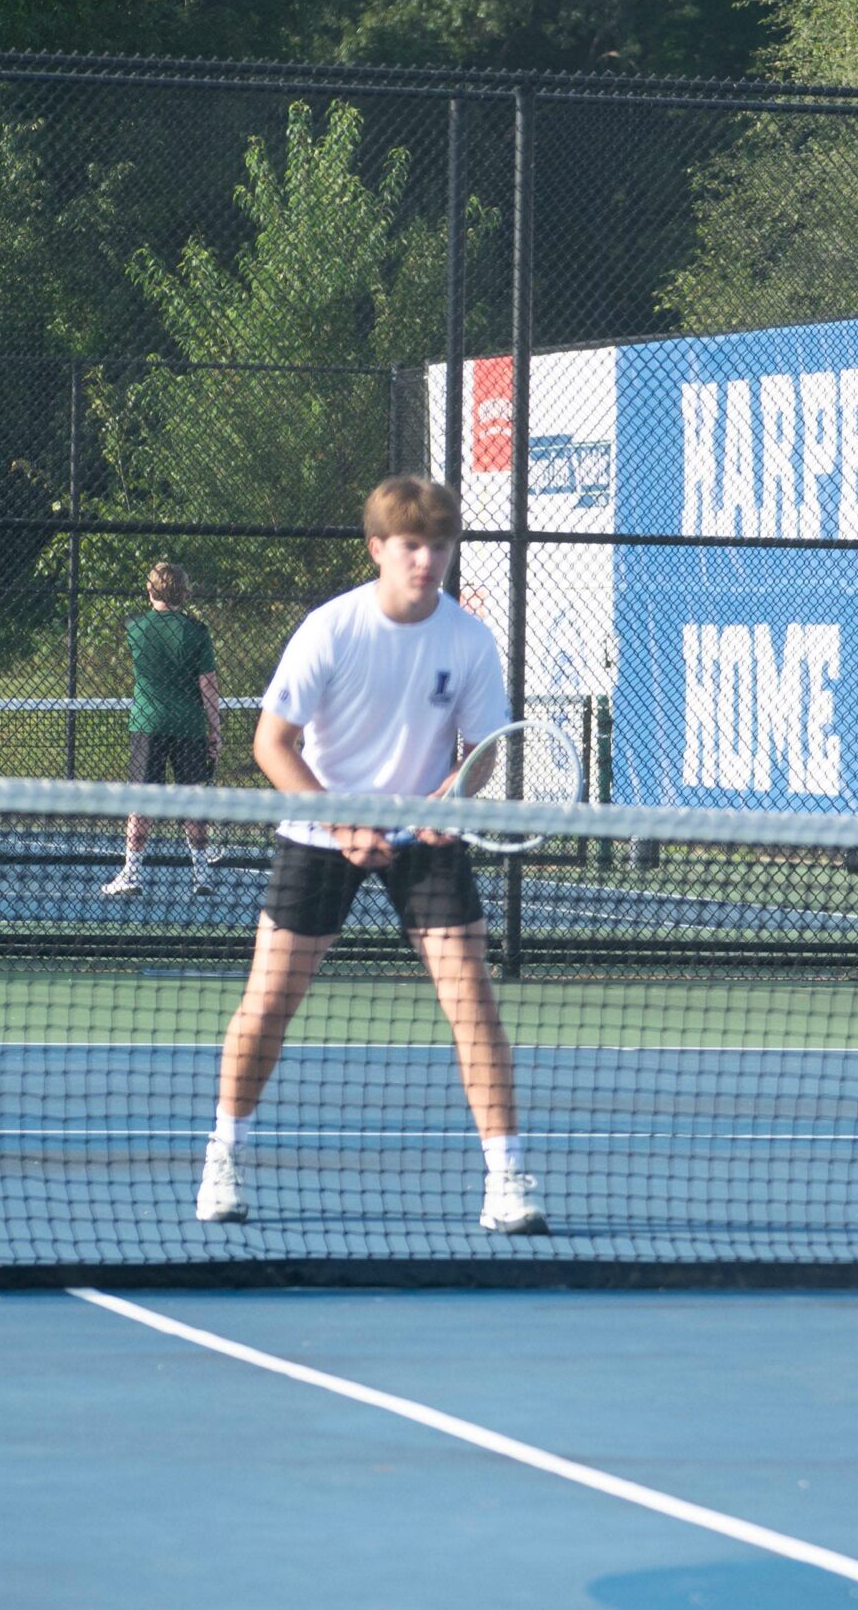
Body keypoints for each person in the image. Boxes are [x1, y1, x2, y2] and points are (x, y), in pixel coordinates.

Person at [195, 476, 546, 1236]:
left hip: (424, 844)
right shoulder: (331, 630)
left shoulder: (469, 639)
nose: (427, 560)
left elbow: (483, 750)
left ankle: (506, 1176)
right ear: (379, 549)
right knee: (269, 1004)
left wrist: (450, 800)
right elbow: (271, 744)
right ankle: (224, 1153)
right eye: (412, 545)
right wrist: (342, 819)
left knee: (472, 1000)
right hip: (319, 835)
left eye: (440, 546)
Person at [103, 562, 225, 896]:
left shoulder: (135, 627)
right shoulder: (196, 631)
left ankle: (132, 874)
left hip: (148, 723)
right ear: (184, 592)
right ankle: (202, 876)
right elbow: (209, 688)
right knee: (192, 798)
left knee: (142, 799)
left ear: (150, 589)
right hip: (188, 725)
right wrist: (216, 730)